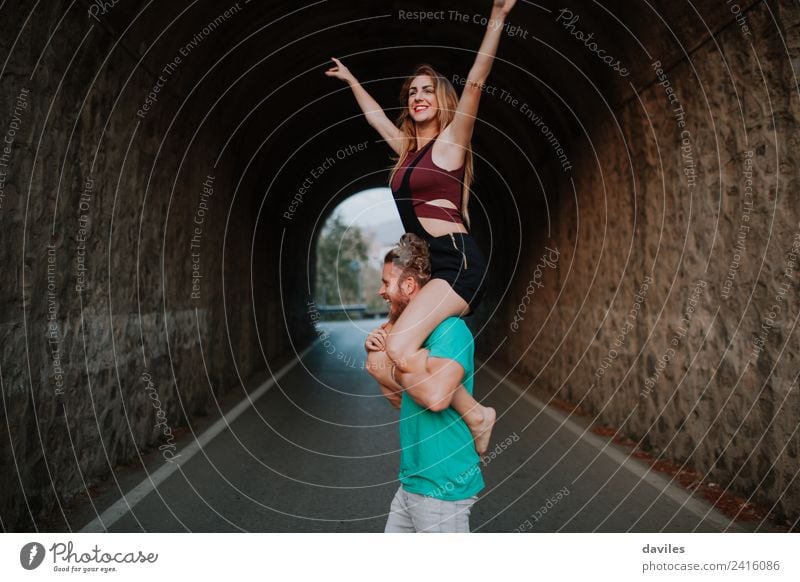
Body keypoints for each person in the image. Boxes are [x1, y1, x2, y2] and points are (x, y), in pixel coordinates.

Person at [326, 0, 517, 454]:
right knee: (390, 352)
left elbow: (477, 80)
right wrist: (352, 80)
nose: (418, 97)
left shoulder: (451, 145)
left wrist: (496, 17)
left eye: (427, 90)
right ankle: (471, 413)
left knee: (400, 347)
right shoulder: (407, 152)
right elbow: (375, 118)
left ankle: (472, 412)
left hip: (460, 261)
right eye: (412, 92)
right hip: (436, 267)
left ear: (441, 99)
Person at [366, 234, 483, 532]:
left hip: (443, 487)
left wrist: (390, 366)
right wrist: (378, 364)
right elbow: (398, 400)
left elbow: (435, 398)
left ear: (407, 286)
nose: (381, 291)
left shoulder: (450, 329)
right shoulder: (413, 338)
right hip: (412, 482)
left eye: (386, 283)